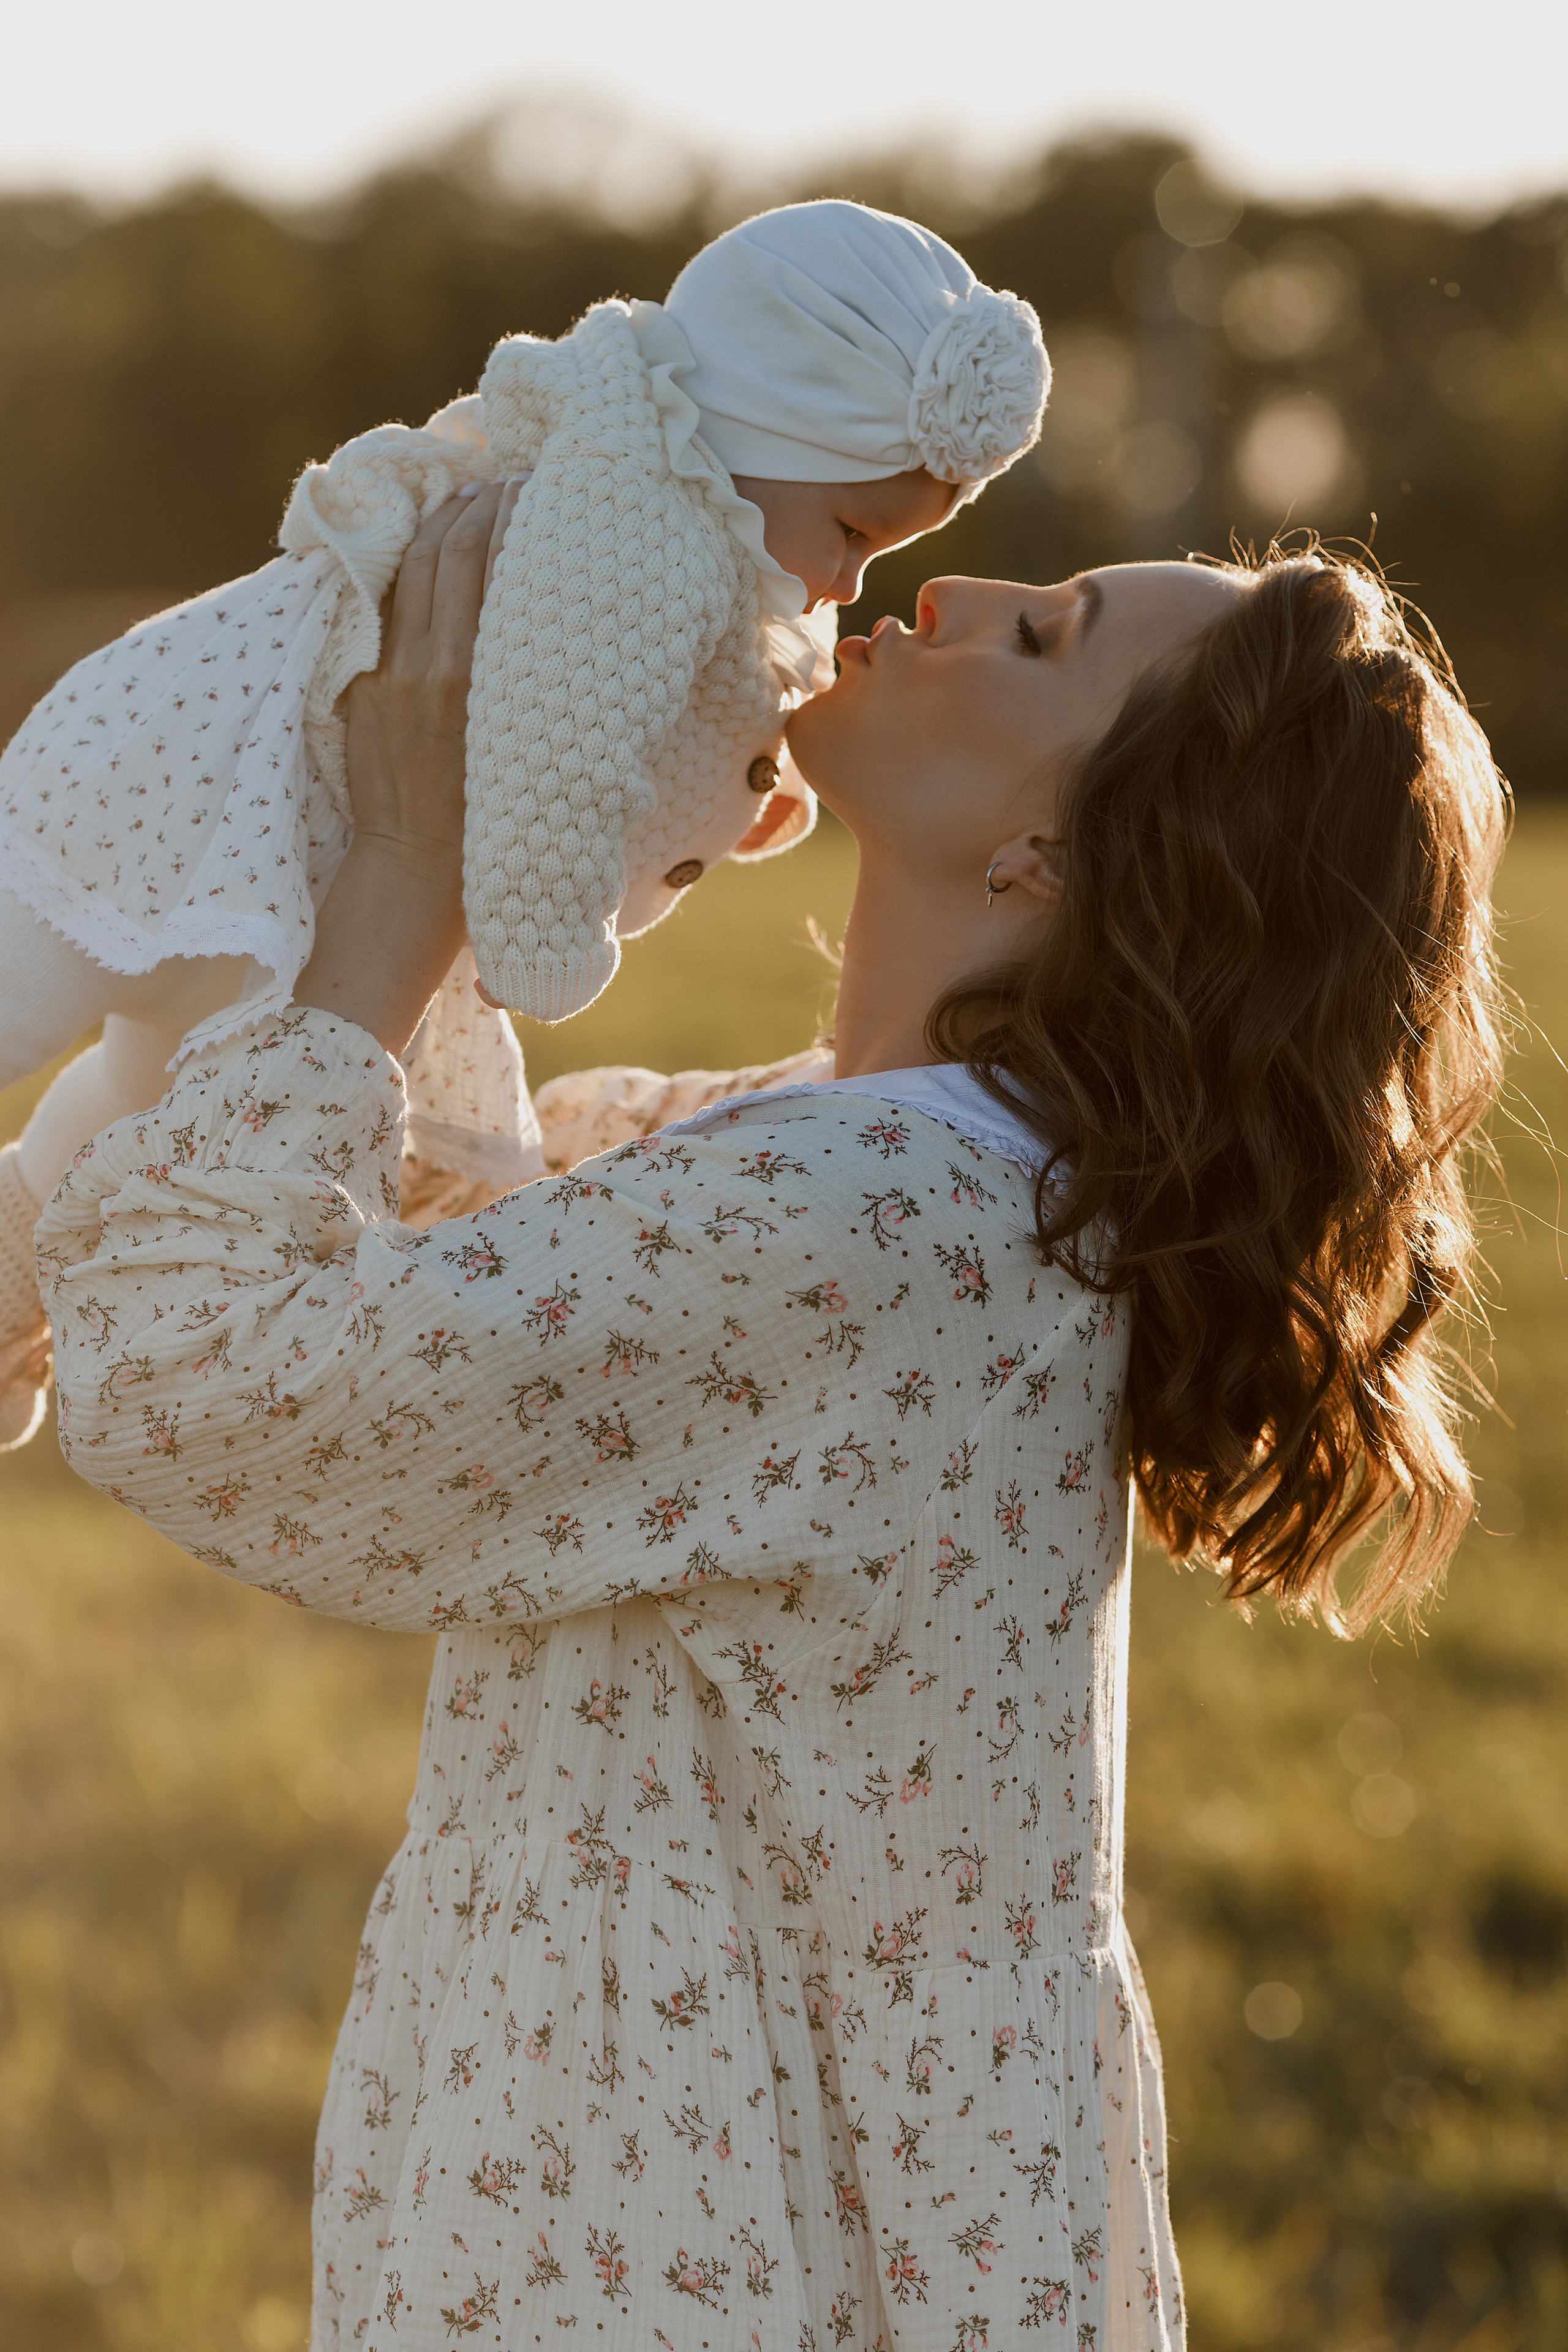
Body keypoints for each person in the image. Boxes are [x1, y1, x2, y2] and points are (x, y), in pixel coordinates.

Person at [36, 488, 1507, 2351]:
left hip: (682, 2216)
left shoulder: (885, 1221)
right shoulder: (902, 1158)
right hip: (713, 2168)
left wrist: (405, 875)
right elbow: (457, 1217)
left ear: (1058, 848)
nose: (958, 586)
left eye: (1044, 634)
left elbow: (222, 1378)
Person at [0, 199, 1049, 1444]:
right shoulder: (625, 523)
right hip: (194, 784)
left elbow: (718, 698)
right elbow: (557, 752)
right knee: (34, 999)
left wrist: (750, 795)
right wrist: (547, 940)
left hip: (287, 879)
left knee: (133, 1101)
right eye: (854, 534)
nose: (846, 582)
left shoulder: (716, 516)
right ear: (772, 426)